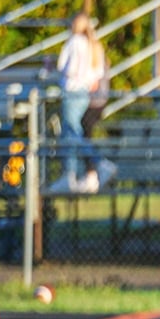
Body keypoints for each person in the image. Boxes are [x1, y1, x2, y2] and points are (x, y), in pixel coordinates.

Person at [55, 12, 108, 193]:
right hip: (85, 92)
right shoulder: (93, 45)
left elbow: (63, 66)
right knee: (73, 131)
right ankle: (85, 169)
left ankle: (78, 171)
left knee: (71, 133)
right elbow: (98, 73)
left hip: (72, 90)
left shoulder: (74, 42)